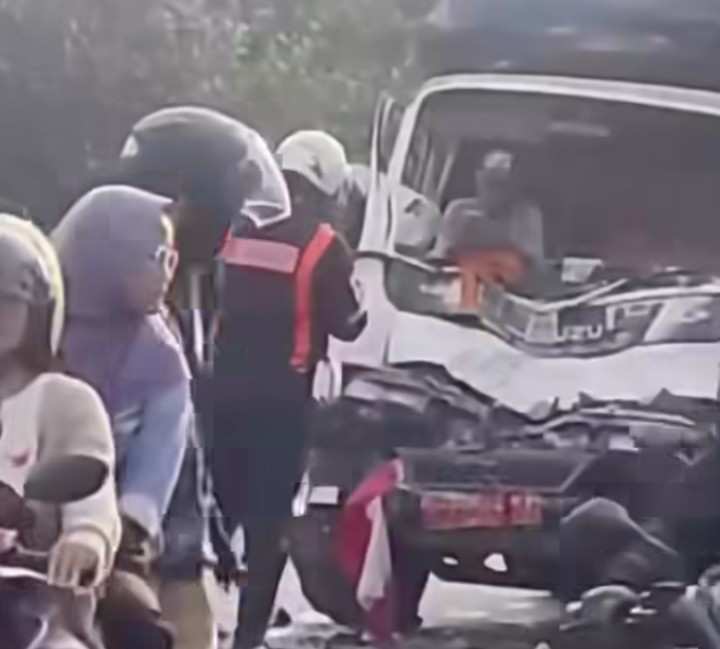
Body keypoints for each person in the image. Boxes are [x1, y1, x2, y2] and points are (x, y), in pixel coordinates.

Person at [117, 108, 368, 649]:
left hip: (219, 391)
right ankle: (248, 634)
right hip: (283, 401)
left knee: (213, 506)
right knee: (269, 522)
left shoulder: (235, 229)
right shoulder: (325, 246)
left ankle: (187, 610)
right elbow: (350, 324)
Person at [51, 186, 191, 646]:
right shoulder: (30, 330)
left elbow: (149, 483)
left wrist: (106, 541)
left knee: (139, 626)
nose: (168, 273)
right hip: (16, 527)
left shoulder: (162, 362)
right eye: (157, 257)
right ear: (107, 255)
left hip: (108, 542)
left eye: (172, 259)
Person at [0, 213, 121, 647]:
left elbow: (92, 493)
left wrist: (85, 536)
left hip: (38, 604)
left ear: (38, 312)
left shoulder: (65, 402)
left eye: (6, 302)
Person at [433, 149, 544, 309]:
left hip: (513, 301)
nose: (496, 190)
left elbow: (536, 271)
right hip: (459, 293)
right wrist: (463, 232)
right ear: (478, 179)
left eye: (503, 184)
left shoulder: (527, 216)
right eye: (490, 181)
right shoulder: (458, 210)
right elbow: (440, 259)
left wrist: (506, 240)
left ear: (515, 185)